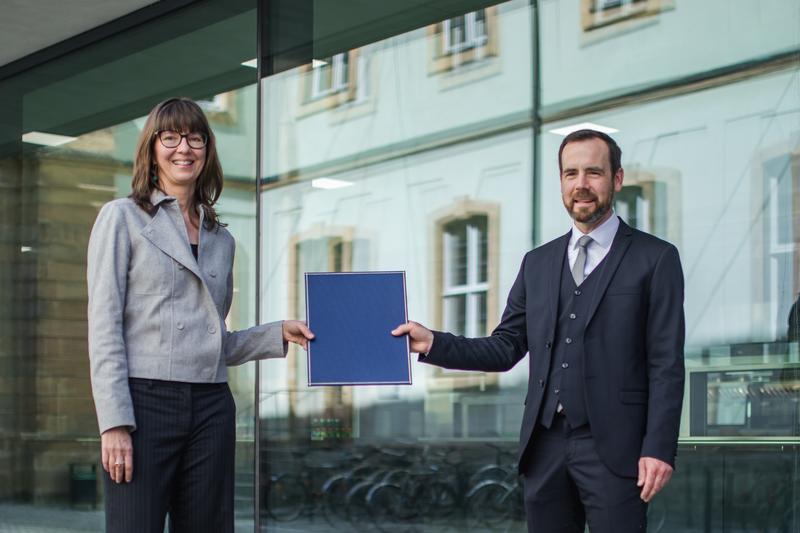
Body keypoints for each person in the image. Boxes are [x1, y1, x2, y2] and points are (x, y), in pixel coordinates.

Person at [393, 129, 685, 532]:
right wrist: (434, 343)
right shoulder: (537, 263)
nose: (581, 185)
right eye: (570, 174)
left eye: (593, 173)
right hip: (545, 446)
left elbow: (666, 363)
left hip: (617, 450)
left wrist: (659, 448)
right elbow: (506, 347)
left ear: (617, 179)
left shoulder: (656, 259)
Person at [87, 97, 314, 533]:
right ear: (152, 150)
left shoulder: (220, 238)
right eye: (169, 137)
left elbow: (213, 340)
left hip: (210, 404)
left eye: (194, 137)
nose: (183, 148)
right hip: (144, 403)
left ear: (207, 148)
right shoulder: (122, 218)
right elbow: (103, 328)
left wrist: (276, 333)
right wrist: (114, 423)